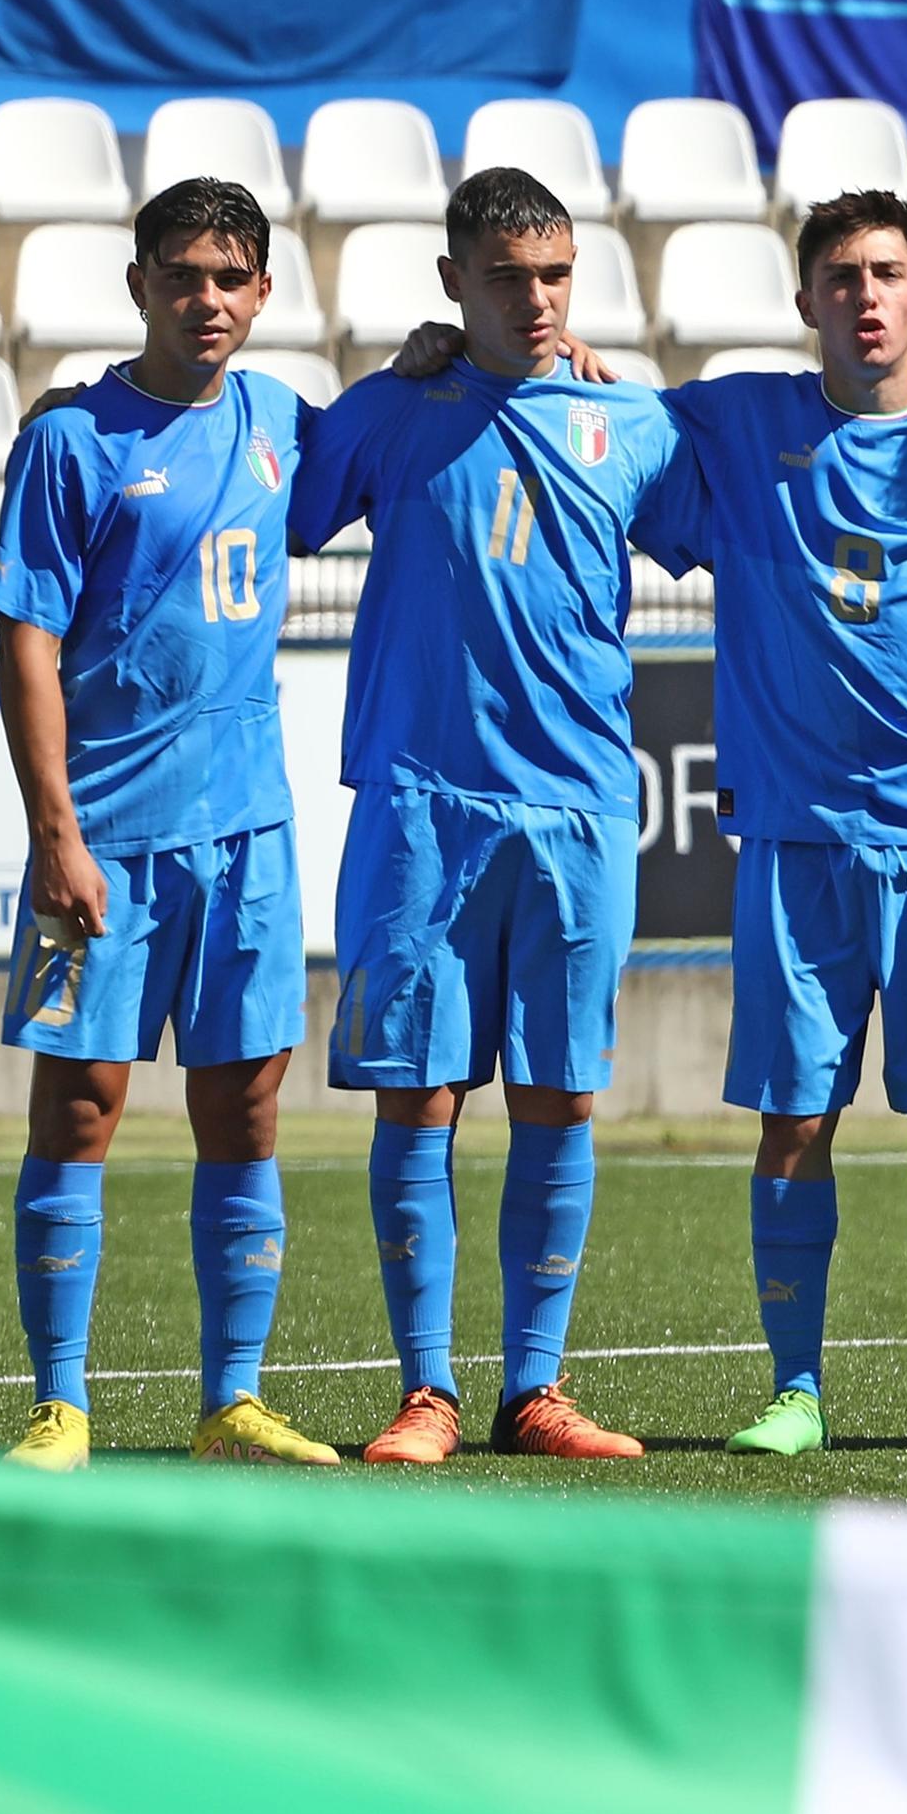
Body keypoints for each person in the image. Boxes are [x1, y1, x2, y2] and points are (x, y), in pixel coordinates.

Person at [627, 189, 907, 1458]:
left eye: (887, 274)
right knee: (795, 1117)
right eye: (841, 276)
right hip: (794, 834)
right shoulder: (735, 420)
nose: (865, 296)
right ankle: (797, 1388)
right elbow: (599, 434)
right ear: (806, 298)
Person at [288, 168, 680, 1463]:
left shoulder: (632, 426)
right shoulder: (395, 413)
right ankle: (428, 1390)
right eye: (507, 277)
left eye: (556, 274)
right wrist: (86, 410)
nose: (535, 299)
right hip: (423, 804)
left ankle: (536, 1389)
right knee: (422, 1098)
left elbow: (791, 506)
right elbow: (252, 481)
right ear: (454, 281)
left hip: (576, 806)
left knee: (560, 1099)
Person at [0, 178, 328, 1469]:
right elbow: (25, 645)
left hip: (248, 841)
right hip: (106, 842)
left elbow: (402, 444)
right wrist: (57, 833)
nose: (208, 299)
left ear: (263, 294)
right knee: (81, 1106)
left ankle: (230, 1401)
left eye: (232, 278)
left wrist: (449, 352)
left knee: (244, 1106)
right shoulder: (72, 442)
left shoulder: (284, 420)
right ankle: (60, 1403)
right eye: (184, 275)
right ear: (140, 287)